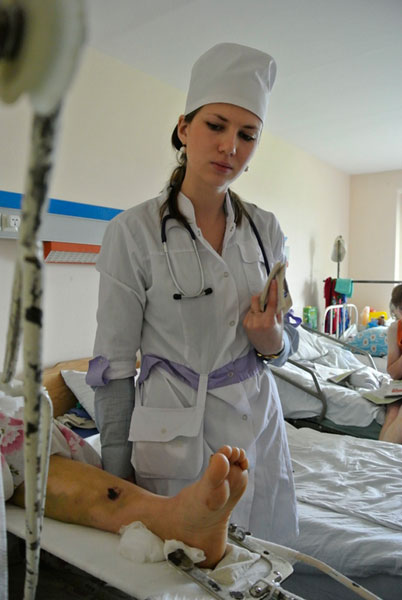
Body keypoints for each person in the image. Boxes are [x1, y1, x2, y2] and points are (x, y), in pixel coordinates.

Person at [87, 41, 299, 547]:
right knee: (183, 568)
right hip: (175, 438)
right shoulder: (132, 233)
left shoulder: (266, 230)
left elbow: (287, 345)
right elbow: (113, 370)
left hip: (258, 423)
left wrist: (271, 339)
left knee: (262, 561)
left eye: (247, 135)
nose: (230, 147)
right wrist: (117, 483)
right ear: (184, 128)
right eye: (216, 126)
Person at [379, 284, 402, 443]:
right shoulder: (395, 329)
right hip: (399, 384)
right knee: (392, 411)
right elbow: (393, 372)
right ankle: (381, 454)